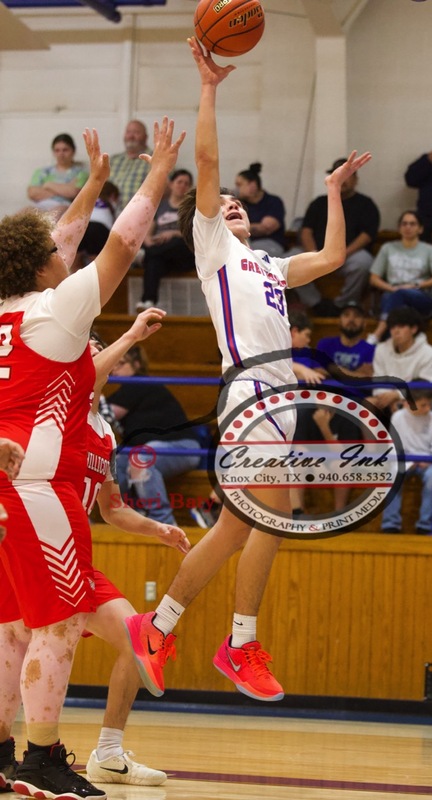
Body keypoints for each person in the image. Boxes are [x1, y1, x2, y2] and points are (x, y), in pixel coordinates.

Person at [123, 36, 372, 703]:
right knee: (274, 517)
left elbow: (333, 255)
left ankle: (160, 626)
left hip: (278, 396)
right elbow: (206, 160)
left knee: (239, 526)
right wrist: (208, 88)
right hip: (250, 391)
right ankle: (237, 644)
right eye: (222, 202)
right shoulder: (213, 247)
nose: (230, 203)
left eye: (237, 203)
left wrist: (330, 191)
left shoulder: (266, 264)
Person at [0, 117, 185, 800]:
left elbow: (62, 238)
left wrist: (97, 181)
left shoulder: (12, 309)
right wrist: (157, 171)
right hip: (40, 482)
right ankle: (41, 757)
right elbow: (123, 245)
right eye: (54, 250)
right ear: (41, 265)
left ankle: (1, 751)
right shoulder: (59, 311)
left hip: (6, 479)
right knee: (57, 622)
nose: (63, 250)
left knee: (12, 622)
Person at [0, 316, 190, 791]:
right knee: (14, 646)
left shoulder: (103, 431)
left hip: (75, 559)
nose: (89, 359)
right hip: (34, 545)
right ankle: (24, 754)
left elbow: (113, 508)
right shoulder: (50, 415)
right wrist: (128, 337)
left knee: (134, 641)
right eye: (83, 352)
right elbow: (91, 373)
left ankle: (108, 751)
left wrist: (158, 530)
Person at [108, 344, 202, 525]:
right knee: (115, 462)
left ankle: (163, 523)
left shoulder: (139, 383)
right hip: (155, 448)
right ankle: (132, 516)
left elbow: (107, 413)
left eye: (120, 364)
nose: (114, 369)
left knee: (140, 458)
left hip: (182, 446)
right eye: (113, 364)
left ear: (136, 364)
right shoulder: (126, 389)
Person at [292, 157, 380, 316]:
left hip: (348, 255)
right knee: (289, 259)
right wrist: (313, 254)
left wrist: (342, 253)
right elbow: (306, 231)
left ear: (356, 179)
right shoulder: (318, 203)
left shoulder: (366, 204)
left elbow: (367, 235)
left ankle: (342, 305)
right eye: (339, 175)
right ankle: (316, 303)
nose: (343, 180)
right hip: (318, 254)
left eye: (347, 176)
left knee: (364, 262)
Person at [369, 210, 432, 342]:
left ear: (420, 229)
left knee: (399, 295)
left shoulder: (429, 250)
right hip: (392, 292)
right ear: (399, 228)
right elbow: (373, 278)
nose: (408, 227)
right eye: (404, 224)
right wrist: (391, 288)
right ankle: (390, 346)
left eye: (412, 224)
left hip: (420, 295)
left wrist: (415, 285)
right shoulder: (388, 248)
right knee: (397, 304)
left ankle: (377, 334)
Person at [136, 168, 197, 309]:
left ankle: (144, 255)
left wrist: (174, 233)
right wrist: (149, 241)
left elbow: (196, 233)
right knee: (154, 262)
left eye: (186, 183)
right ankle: (148, 300)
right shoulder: (160, 206)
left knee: (177, 242)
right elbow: (148, 230)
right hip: (162, 253)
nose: (182, 186)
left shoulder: (192, 207)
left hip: (184, 253)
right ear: (171, 184)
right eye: (179, 182)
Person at [380, 388, 432, 534]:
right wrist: (409, 463)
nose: (428, 408)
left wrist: (428, 460)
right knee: (393, 474)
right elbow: (392, 447)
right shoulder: (398, 417)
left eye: (429, 404)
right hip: (403, 461)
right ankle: (390, 524)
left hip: (427, 462)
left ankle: (425, 525)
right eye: (423, 405)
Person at [371, 306, 432, 414]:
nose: (396, 331)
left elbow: (425, 387)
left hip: (417, 400)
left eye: (401, 326)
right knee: (367, 404)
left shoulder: (429, 353)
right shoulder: (381, 349)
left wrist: (397, 396)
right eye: (393, 327)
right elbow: (378, 380)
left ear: (414, 329)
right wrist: (388, 399)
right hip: (387, 399)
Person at [26, 132, 89, 216]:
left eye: (65, 150)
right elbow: (32, 193)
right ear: (53, 152)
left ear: (73, 151)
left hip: (66, 207)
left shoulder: (81, 172)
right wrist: (64, 189)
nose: (61, 154)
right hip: (41, 205)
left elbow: (74, 192)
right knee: (23, 213)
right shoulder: (42, 171)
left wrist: (48, 185)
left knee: (54, 215)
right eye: (57, 150)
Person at [235, 163, 287, 256]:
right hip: (247, 243)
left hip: (270, 244)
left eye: (239, 185)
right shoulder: (240, 204)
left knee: (246, 253)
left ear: (252, 185)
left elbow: (265, 228)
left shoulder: (273, 202)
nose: (237, 189)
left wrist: (239, 228)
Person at [109, 120, 151, 212]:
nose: (131, 136)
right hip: (109, 216)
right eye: (128, 132)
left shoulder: (155, 159)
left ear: (145, 137)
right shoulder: (113, 160)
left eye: (136, 132)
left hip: (140, 215)